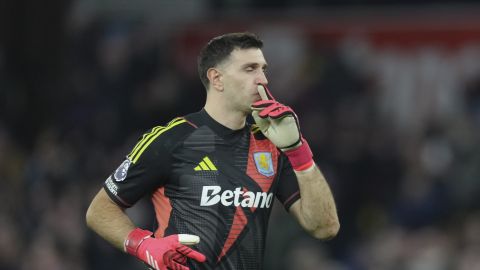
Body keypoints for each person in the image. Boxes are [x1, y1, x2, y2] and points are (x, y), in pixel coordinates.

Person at [86, 32, 340, 270]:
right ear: (217, 78)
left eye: (263, 69)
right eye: (249, 69)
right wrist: (144, 244)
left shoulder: (271, 145)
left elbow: (325, 227)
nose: (263, 79)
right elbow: (99, 210)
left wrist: (298, 150)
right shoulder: (171, 139)